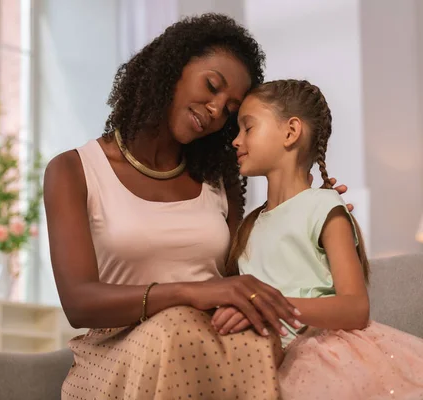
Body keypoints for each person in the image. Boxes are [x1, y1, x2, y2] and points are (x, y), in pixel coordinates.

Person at [44, 14, 347, 399]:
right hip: (118, 353)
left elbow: (249, 271)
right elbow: (79, 303)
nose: (217, 109)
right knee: (174, 331)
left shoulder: (219, 182)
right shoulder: (74, 170)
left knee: (252, 338)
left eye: (231, 108)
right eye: (212, 85)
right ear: (173, 66)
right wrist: (190, 293)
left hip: (212, 342)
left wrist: (311, 211)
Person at [212, 78, 423, 399]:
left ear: (291, 132)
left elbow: (355, 308)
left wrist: (273, 307)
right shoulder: (250, 225)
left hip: (326, 357)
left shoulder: (324, 206)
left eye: (248, 128)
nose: (236, 141)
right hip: (261, 359)